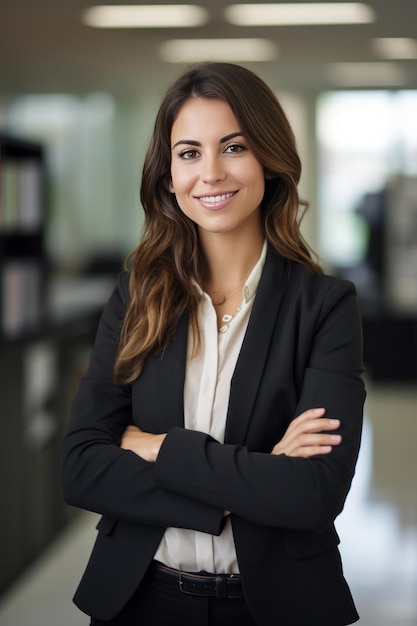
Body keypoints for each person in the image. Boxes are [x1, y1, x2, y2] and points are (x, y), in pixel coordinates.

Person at [61, 62, 366, 626]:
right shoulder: (136, 296)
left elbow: (314, 493)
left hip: (275, 605)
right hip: (138, 599)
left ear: (269, 161)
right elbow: (81, 467)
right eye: (189, 153)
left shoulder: (324, 305)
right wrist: (253, 477)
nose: (211, 173)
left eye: (233, 147)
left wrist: (160, 449)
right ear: (168, 174)